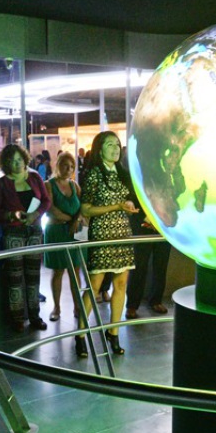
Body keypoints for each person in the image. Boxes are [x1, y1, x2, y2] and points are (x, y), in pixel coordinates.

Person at [76, 131, 138, 357]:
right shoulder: (93, 174)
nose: (115, 148)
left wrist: (128, 204)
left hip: (122, 232)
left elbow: (126, 199)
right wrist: (117, 207)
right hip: (102, 234)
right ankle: (81, 334)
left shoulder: (122, 174)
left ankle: (113, 333)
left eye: (117, 144)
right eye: (109, 144)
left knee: (121, 285)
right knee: (94, 285)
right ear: (99, 148)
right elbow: (86, 209)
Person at [0, 144, 51, 333]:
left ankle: (34, 316)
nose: (16, 163)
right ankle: (17, 318)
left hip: (34, 232)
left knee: (34, 276)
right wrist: (11, 215)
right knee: (14, 278)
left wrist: (35, 215)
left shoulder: (34, 177)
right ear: (5, 163)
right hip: (13, 233)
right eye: (12, 160)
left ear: (25, 160)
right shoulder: (1, 183)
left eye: (19, 159)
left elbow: (46, 200)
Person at [43, 152, 82, 322]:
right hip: (57, 231)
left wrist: (77, 220)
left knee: (76, 270)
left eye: (72, 166)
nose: (69, 169)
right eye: (65, 165)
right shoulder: (49, 185)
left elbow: (82, 207)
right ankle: (57, 307)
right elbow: (50, 208)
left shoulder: (75, 186)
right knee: (58, 271)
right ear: (58, 165)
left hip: (74, 232)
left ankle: (77, 306)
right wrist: (70, 220)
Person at [125, 202, 172, 320]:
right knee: (139, 266)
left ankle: (156, 300)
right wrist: (146, 219)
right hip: (141, 225)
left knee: (161, 265)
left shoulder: (168, 183)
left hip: (164, 225)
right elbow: (133, 197)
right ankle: (132, 305)